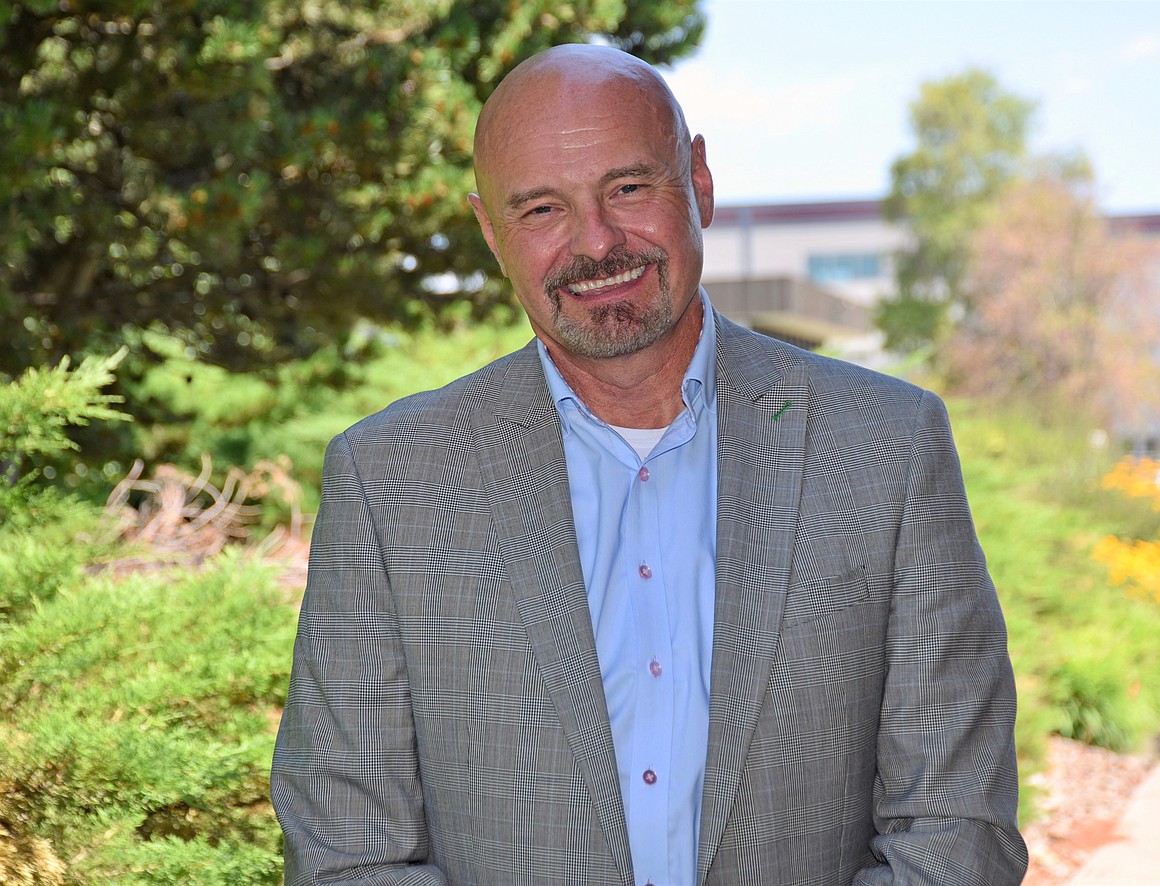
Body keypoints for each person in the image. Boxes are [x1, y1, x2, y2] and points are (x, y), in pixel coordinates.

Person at [271, 43, 1028, 886]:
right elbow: (348, 851)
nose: (596, 243)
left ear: (698, 181)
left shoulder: (887, 445)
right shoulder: (388, 479)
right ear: (491, 231)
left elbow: (957, 830)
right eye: (541, 210)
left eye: (628, 188)